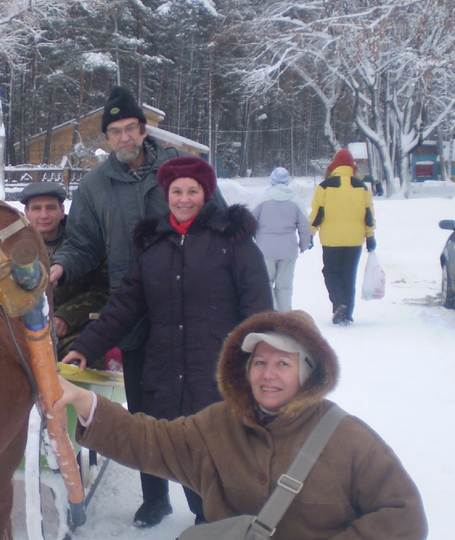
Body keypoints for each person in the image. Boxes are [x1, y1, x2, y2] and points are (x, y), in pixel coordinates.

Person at [54, 310, 428, 540]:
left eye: (284, 364)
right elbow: (149, 439)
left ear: (309, 374)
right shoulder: (216, 425)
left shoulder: (350, 439)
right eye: (260, 362)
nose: (269, 375)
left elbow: (403, 516)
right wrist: (84, 400)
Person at [60, 156, 272, 528]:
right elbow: (124, 305)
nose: (184, 198)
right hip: (167, 370)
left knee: (217, 455)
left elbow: (259, 312)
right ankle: (201, 518)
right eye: (177, 191)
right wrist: (86, 346)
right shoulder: (154, 246)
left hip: (217, 373)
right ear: (166, 194)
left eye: (193, 190)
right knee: (179, 451)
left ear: (206, 194)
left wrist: (258, 365)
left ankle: (218, 524)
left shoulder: (232, 242)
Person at [47, 85, 211, 527]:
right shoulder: (96, 186)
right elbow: (83, 243)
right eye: (114, 131)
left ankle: (203, 506)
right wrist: (60, 266)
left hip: (187, 313)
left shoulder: (180, 171)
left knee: (195, 413)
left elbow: (217, 223)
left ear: (144, 129)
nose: (123, 137)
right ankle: (155, 496)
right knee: (144, 412)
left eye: (130, 128)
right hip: (135, 315)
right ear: (106, 138)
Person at [19, 181, 109, 358]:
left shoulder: (84, 243)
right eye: (37, 209)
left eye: (51, 208)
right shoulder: (11, 245)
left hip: (71, 331)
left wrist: (66, 317)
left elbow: (102, 290)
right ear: (26, 213)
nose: (44, 215)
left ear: (62, 211)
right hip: (21, 332)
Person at [309, 149, 376, 325]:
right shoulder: (362, 188)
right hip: (355, 240)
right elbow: (368, 215)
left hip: (331, 240)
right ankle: (347, 313)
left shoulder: (324, 187)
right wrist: (370, 236)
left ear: (335, 166)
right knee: (349, 275)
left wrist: (310, 233)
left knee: (330, 273)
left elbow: (317, 215)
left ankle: (339, 304)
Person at [252, 167, 312, 312]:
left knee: (266, 283)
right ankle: (285, 315)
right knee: (284, 286)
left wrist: (252, 240)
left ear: (272, 180)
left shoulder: (262, 198)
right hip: (288, 250)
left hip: (265, 249)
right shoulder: (295, 199)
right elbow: (304, 224)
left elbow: (249, 219)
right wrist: (304, 244)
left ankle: (272, 312)